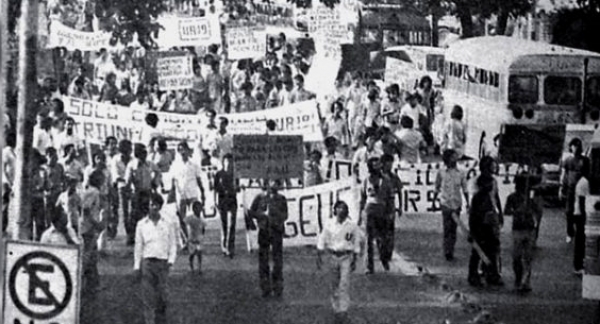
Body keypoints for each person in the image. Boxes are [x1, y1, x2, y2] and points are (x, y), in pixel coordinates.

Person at [133, 193, 178, 324]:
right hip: (147, 263)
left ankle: (161, 320)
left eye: (156, 204)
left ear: (160, 205)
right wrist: (137, 266)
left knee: (163, 297)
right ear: (147, 206)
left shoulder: (167, 223)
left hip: (163, 263)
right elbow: (138, 246)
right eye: (151, 205)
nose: (154, 207)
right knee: (148, 297)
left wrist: (171, 261)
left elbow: (173, 243)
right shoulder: (141, 224)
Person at [316, 201, 362, 324]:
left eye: (343, 208)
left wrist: (355, 259)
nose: (341, 211)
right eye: (339, 208)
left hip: (346, 256)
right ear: (334, 210)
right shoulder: (329, 224)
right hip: (332, 255)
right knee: (334, 284)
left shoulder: (352, 225)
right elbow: (322, 238)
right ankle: (336, 309)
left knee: (344, 284)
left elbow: (356, 241)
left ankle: (343, 310)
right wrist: (319, 254)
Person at [468, 156, 504, 287]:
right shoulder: (476, 183)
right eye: (492, 166)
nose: (494, 169)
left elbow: (496, 197)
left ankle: (492, 274)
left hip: (492, 218)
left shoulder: (493, 182)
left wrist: (500, 214)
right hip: (479, 219)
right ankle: (473, 275)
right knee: (478, 248)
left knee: (494, 248)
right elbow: (474, 205)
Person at [249, 179, 289, 298]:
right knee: (263, 260)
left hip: (276, 231)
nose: (273, 185)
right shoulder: (260, 198)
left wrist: (275, 214)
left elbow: (285, 215)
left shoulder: (281, 199)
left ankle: (277, 286)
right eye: (270, 182)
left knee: (277, 260)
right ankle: (265, 286)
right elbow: (251, 212)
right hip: (264, 230)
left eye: (275, 183)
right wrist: (262, 215)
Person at [505, 173, 542, 292]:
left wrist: (531, 209)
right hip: (518, 229)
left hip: (529, 228)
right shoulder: (512, 197)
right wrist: (517, 211)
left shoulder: (531, 198)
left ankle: (526, 281)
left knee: (527, 257)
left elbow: (537, 212)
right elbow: (507, 211)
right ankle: (518, 278)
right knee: (516, 257)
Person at [360, 157, 395, 273]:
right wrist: (360, 214)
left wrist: (391, 211)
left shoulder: (386, 180)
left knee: (383, 238)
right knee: (368, 240)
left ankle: (384, 258)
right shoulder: (366, 180)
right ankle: (369, 266)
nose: (377, 168)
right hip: (370, 210)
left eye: (379, 165)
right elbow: (363, 197)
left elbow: (391, 197)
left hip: (382, 210)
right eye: (374, 166)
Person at [433, 149, 469, 261]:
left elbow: (465, 188)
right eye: (453, 156)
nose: (455, 159)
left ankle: (450, 249)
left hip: (456, 203)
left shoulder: (461, 172)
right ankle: (447, 251)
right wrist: (434, 201)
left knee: (453, 229)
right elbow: (437, 186)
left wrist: (468, 202)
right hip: (446, 203)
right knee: (447, 227)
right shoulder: (441, 171)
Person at [126, 144, 162, 245]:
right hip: (136, 192)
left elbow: (158, 172)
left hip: (147, 191)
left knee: (148, 214)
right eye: (142, 153)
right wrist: (129, 189)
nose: (144, 155)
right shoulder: (132, 165)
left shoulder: (149, 164)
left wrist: (155, 182)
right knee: (135, 216)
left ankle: (149, 236)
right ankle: (132, 237)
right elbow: (127, 180)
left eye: (145, 153)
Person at [171, 141, 205, 239]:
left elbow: (198, 179)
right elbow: (174, 181)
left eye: (184, 149)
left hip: (192, 193)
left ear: (187, 150)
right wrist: (175, 194)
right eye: (180, 150)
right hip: (181, 194)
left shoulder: (194, 165)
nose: (182, 152)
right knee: (182, 218)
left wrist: (202, 192)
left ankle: (196, 237)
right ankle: (185, 240)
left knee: (195, 216)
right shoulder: (175, 165)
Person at [81, 169, 106, 294]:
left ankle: (93, 283)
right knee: (88, 256)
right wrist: (96, 223)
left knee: (92, 256)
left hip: (88, 227)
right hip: (88, 228)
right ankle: (89, 283)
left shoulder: (89, 191)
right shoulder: (94, 192)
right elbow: (86, 209)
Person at [560, 138, 590, 243]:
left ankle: (580, 232)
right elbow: (563, 174)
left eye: (577, 146)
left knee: (581, 211)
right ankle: (569, 232)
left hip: (581, 190)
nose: (575, 148)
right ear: (571, 147)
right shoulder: (567, 160)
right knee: (569, 211)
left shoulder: (585, 160)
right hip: (570, 189)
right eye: (574, 146)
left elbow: (587, 175)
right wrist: (561, 188)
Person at [380, 154, 402, 263]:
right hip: (379, 207)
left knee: (390, 231)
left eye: (391, 163)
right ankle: (382, 250)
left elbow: (400, 191)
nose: (389, 166)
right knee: (380, 231)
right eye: (387, 163)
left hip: (390, 208)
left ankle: (388, 252)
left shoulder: (394, 177)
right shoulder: (378, 177)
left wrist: (400, 206)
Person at [214, 154, 237, 257]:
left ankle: (231, 247)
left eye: (231, 162)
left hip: (232, 200)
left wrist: (237, 187)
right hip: (222, 200)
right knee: (224, 225)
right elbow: (215, 189)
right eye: (227, 161)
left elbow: (238, 188)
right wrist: (215, 201)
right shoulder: (219, 174)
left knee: (232, 224)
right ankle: (224, 247)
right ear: (223, 162)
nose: (229, 164)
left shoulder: (235, 174)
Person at [110, 139, 133, 240]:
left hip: (132, 188)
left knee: (133, 211)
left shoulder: (133, 159)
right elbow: (115, 175)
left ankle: (132, 233)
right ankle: (128, 232)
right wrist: (126, 180)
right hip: (121, 187)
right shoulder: (116, 159)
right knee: (124, 212)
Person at [573, 159, 591, 275]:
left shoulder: (583, 181)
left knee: (581, 240)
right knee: (580, 240)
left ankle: (579, 263)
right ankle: (578, 265)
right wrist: (586, 218)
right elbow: (582, 201)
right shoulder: (584, 182)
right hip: (580, 215)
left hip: (579, 213)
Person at [184, 201, 207, 274]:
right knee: (192, 254)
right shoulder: (190, 218)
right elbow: (184, 222)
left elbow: (203, 228)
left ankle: (199, 267)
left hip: (199, 238)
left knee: (199, 253)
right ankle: (191, 267)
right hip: (192, 239)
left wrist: (202, 236)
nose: (199, 210)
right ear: (193, 209)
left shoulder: (202, 220)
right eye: (197, 208)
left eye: (200, 208)